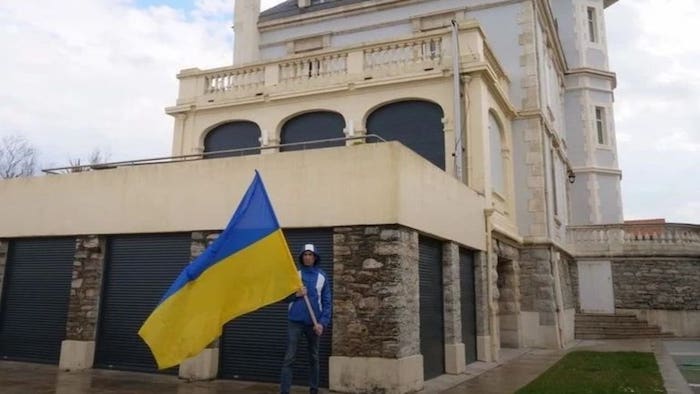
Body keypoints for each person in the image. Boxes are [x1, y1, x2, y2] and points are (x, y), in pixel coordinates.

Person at [280, 243, 332, 394]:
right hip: (294, 322)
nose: (308, 257)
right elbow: (283, 297)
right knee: (289, 358)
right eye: (305, 254)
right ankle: (284, 391)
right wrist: (295, 295)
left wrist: (323, 323)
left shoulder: (322, 276)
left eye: (310, 255)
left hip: (313, 324)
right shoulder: (295, 276)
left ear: (315, 257)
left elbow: (327, 301)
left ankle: (314, 390)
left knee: (314, 358)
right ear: (301, 257)